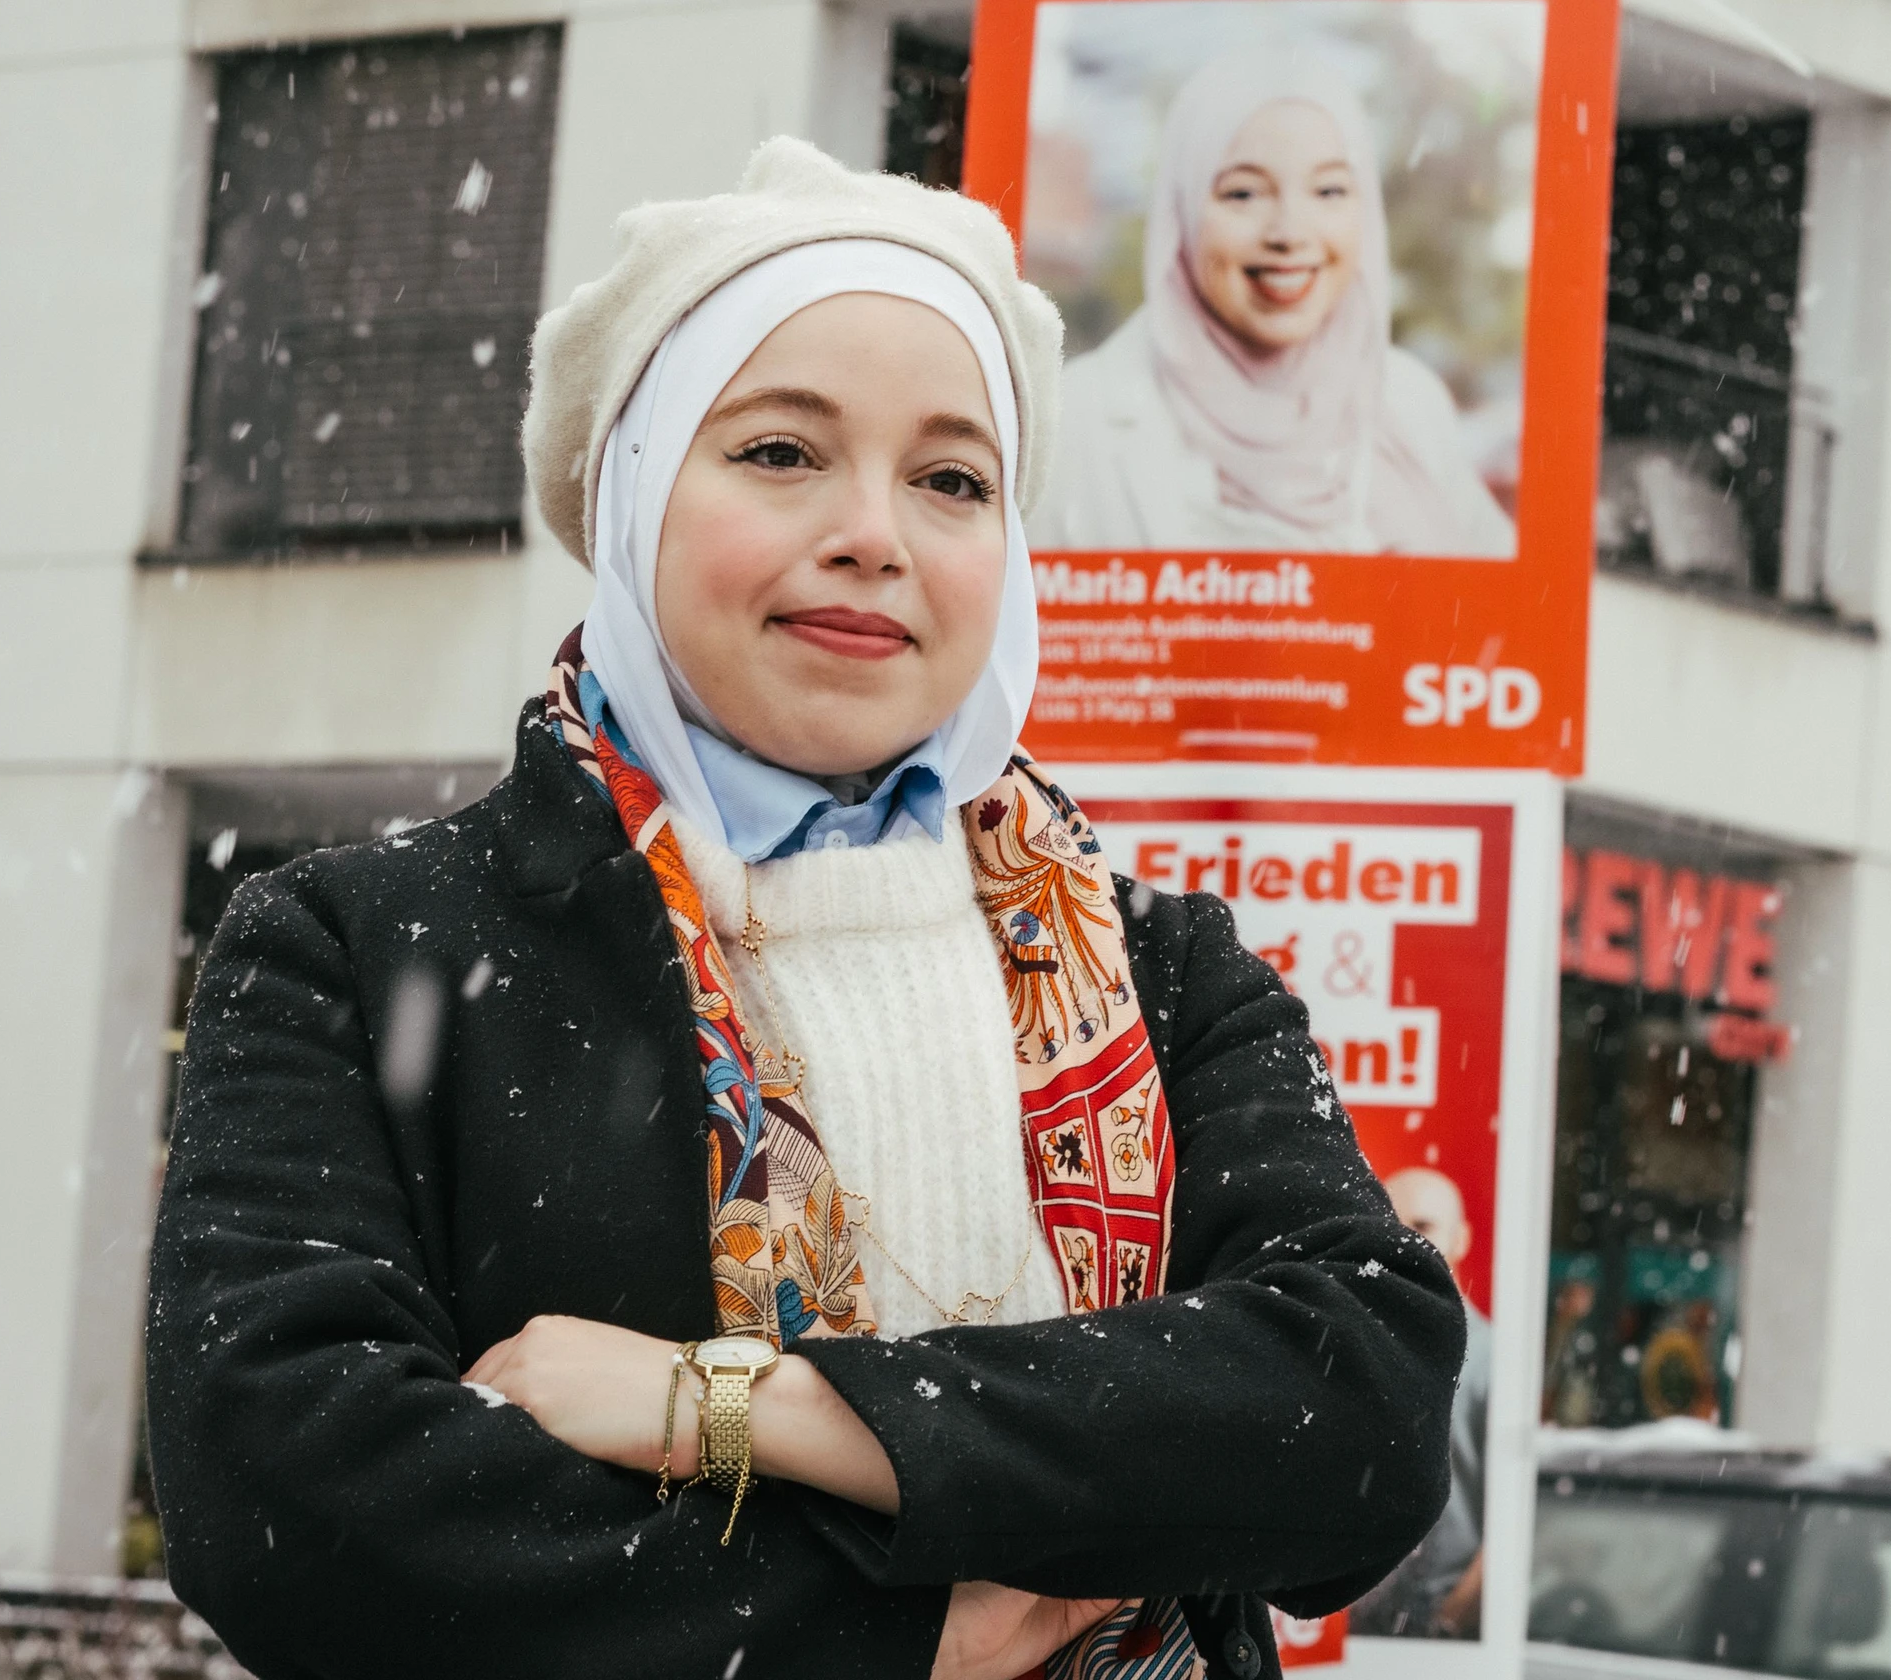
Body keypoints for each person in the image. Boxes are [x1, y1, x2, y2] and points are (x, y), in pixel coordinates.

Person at [144, 137, 1463, 1680]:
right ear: (634, 492)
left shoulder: (1169, 972)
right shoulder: (361, 949)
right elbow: (296, 1498)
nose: (875, 534)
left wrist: (728, 1406)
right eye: (780, 452)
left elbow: (1360, 1414)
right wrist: (911, 1634)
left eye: (952, 479)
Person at [1035, 48, 1516, 557]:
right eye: (1244, 194)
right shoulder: (1078, 420)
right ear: (1183, 210)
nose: (1289, 232)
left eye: (1329, 190)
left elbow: (1507, 615)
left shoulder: (1411, 403)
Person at [1352, 1167, 1491, 1639]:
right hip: (1354, 1635)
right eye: (1392, 1225)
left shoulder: (1492, 1360)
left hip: (1438, 1636)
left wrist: (1447, 1623)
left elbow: (1513, 1523)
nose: (1405, 1242)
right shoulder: (1353, 1346)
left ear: (1461, 1238)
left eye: (1423, 1227)